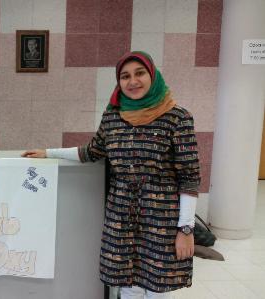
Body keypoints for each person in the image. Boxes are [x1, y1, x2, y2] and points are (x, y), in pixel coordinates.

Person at [22, 51, 200, 299]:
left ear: (153, 75)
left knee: (156, 286)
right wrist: (48, 153)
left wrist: (186, 229)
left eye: (140, 73)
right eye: (125, 76)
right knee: (126, 283)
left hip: (161, 216)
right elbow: (93, 150)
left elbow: (190, 176)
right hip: (121, 213)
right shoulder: (114, 115)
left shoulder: (177, 117)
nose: (132, 81)